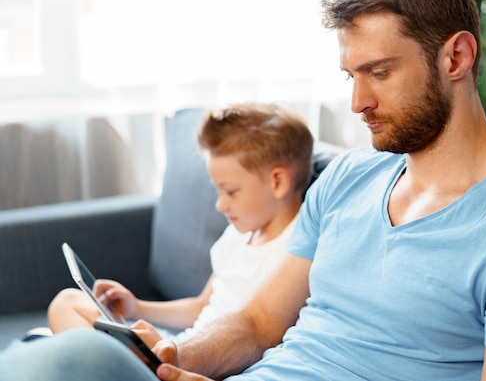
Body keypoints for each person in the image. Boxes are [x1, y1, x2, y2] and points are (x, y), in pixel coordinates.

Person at [0, 0, 486, 380]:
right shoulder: (347, 179)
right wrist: (174, 354)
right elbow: (262, 321)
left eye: (380, 72)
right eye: (351, 76)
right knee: (52, 357)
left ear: (456, 55)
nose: (357, 102)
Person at [45, 101, 314, 347]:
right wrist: (136, 308)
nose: (220, 204)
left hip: (206, 357)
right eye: (217, 191)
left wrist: (178, 353)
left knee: (73, 340)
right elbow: (200, 307)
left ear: (278, 182)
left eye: (230, 191)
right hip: (183, 344)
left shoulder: (296, 250)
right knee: (68, 303)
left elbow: (264, 335)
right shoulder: (240, 233)